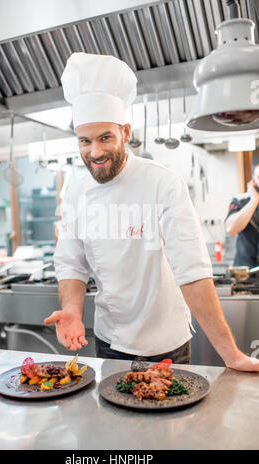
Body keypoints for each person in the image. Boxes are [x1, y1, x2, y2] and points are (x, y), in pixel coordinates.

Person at [45, 52, 259, 372]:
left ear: (126, 133)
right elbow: (71, 264)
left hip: (166, 343)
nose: (95, 151)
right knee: (115, 420)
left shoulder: (162, 183)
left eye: (106, 137)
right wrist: (73, 310)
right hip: (109, 340)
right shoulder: (75, 191)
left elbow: (191, 268)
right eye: (85, 141)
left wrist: (231, 354)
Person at [225, 164, 259, 268]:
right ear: (254, 181)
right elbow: (230, 229)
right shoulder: (240, 200)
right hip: (244, 275)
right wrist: (254, 200)